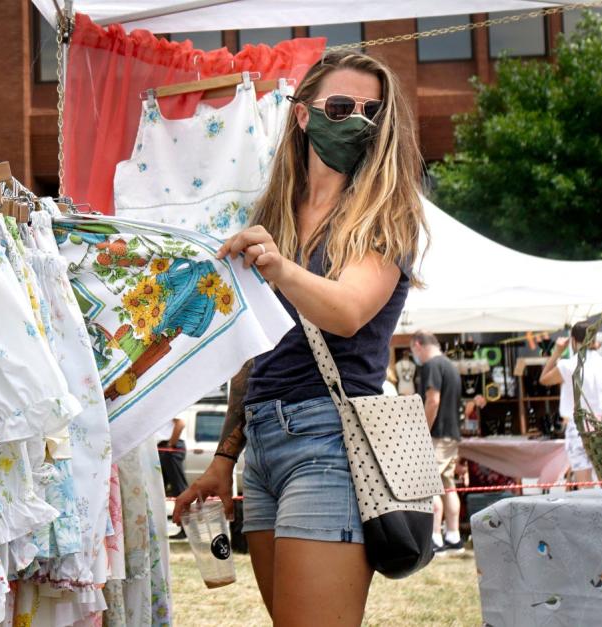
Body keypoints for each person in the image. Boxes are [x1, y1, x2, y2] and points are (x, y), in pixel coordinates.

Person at [173, 51, 428, 626]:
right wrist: (223, 458)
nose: (357, 120)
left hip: (330, 442)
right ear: (304, 115)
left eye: (371, 110)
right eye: (340, 106)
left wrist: (278, 267)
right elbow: (255, 348)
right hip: (264, 443)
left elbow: (347, 312)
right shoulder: (277, 213)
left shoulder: (385, 215)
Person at [539, 321, 602, 486]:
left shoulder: (568, 365)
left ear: (573, 340)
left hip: (578, 427)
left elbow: (543, 379)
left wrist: (557, 352)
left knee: (584, 487)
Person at [410, 331, 463, 555]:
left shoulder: (432, 365)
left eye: (413, 351)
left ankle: (435, 538)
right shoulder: (451, 365)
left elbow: (433, 400)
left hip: (436, 435)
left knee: (429, 486)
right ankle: (454, 536)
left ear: (418, 345)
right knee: (448, 486)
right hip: (452, 434)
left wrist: (422, 429)